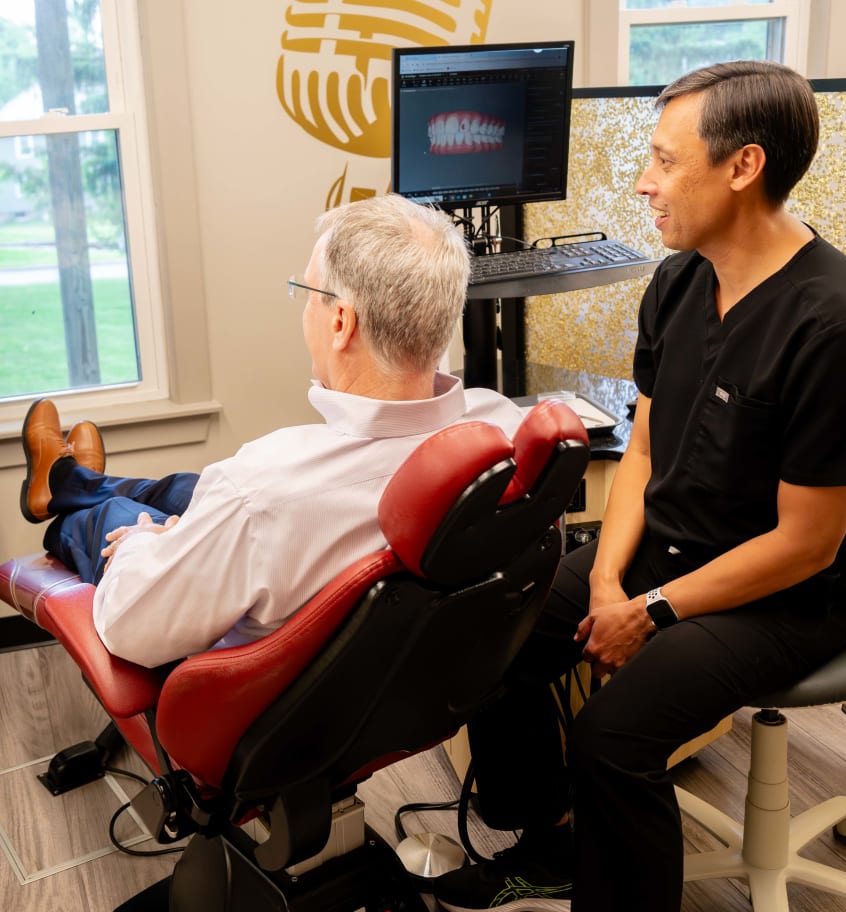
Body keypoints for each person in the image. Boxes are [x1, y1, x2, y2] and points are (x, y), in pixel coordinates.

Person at [432, 61, 846, 912]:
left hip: (791, 595)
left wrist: (648, 609)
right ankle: (552, 847)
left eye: (661, 159)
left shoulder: (836, 322)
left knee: (614, 737)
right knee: (489, 621)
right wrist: (607, 581)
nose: (642, 182)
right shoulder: (684, 281)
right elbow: (645, 444)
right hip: (667, 552)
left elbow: (807, 544)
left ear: (743, 167)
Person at [18, 193, 524, 669]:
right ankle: (68, 480)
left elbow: (129, 626)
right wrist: (199, 534)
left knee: (113, 517)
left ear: (341, 322)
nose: (304, 309)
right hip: (394, 662)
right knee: (178, 490)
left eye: (307, 293)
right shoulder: (501, 427)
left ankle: (67, 500)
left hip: (250, 691)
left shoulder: (262, 490)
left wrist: (145, 543)